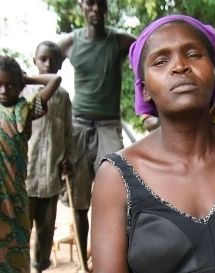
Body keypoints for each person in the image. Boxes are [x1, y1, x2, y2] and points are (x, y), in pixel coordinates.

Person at [90, 14, 215, 273]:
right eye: (161, 61)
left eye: (194, 55)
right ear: (145, 90)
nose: (180, 66)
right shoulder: (116, 178)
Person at [57, 0, 136, 270]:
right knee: (79, 202)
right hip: (78, 126)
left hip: (108, 126)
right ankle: (82, 262)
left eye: (101, 4)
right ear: (81, 5)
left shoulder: (120, 41)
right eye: (90, 3)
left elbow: (148, 50)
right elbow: (45, 62)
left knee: (116, 194)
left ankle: (111, 262)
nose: (96, 9)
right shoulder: (69, 43)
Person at [0, 55, 61, 273]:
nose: (4, 90)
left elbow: (54, 80)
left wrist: (28, 78)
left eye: (11, 85)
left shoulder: (24, 110)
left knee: (16, 247)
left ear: (20, 87)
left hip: (14, 196)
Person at [21, 40, 73, 273]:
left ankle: (39, 268)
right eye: (43, 59)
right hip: (25, 177)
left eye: (53, 60)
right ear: (34, 62)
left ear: (61, 64)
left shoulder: (62, 96)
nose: (48, 63)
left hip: (51, 176)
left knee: (46, 230)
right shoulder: (22, 92)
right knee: (22, 229)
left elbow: (67, 133)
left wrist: (67, 158)